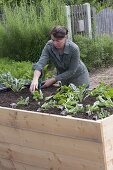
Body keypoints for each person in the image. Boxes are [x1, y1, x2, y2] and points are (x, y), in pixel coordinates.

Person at [30, 25, 90, 93]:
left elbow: (72, 71)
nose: (55, 43)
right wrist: (35, 79)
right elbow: (40, 63)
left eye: (58, 40)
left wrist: (54, 80)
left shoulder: (74, 49)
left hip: (79, 79)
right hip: (63, 80)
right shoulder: (49, 46)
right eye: (53, 40)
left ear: (65, 37)